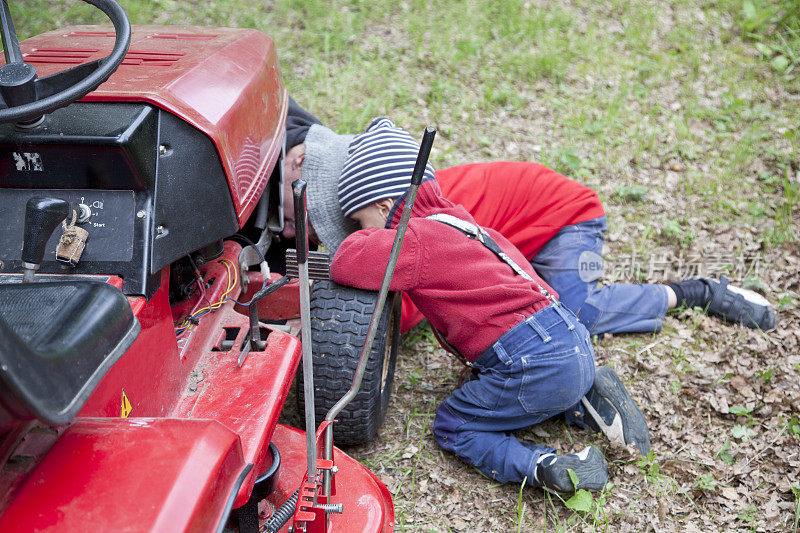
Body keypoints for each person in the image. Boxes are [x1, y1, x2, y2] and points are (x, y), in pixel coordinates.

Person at [323, 117, 651, 492]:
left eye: (359, 221)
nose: (359, 231)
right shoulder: (461, 222)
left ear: (384, 207)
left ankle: (548, 466)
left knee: (455, 424)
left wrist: (345, 242)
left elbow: (348, 261)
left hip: (532, 358)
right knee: (525, 389)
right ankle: (583, 396)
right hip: (568, 333)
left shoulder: (411, 241)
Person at [281, 98, 777, 335]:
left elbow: (401, 310)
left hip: (564, 216)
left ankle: (698, 292)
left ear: (380, 207)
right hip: (517, 235)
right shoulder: (398, 201)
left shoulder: (422, 231)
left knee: (580, 310)